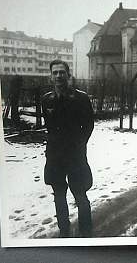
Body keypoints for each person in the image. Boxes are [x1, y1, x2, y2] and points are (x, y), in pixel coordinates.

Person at [41, 59, 94, 237]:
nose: (58, 76)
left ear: (68, 75)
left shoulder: (81, 98)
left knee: (80, 193)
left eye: (61, 72)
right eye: (54, 73)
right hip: (55, 156)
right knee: (58, 194)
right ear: (51, 76)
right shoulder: (47, 100)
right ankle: (64, 229)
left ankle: (86, 231)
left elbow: (88, 126)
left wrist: (79, 146)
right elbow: (50, 128)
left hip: (75, 155)